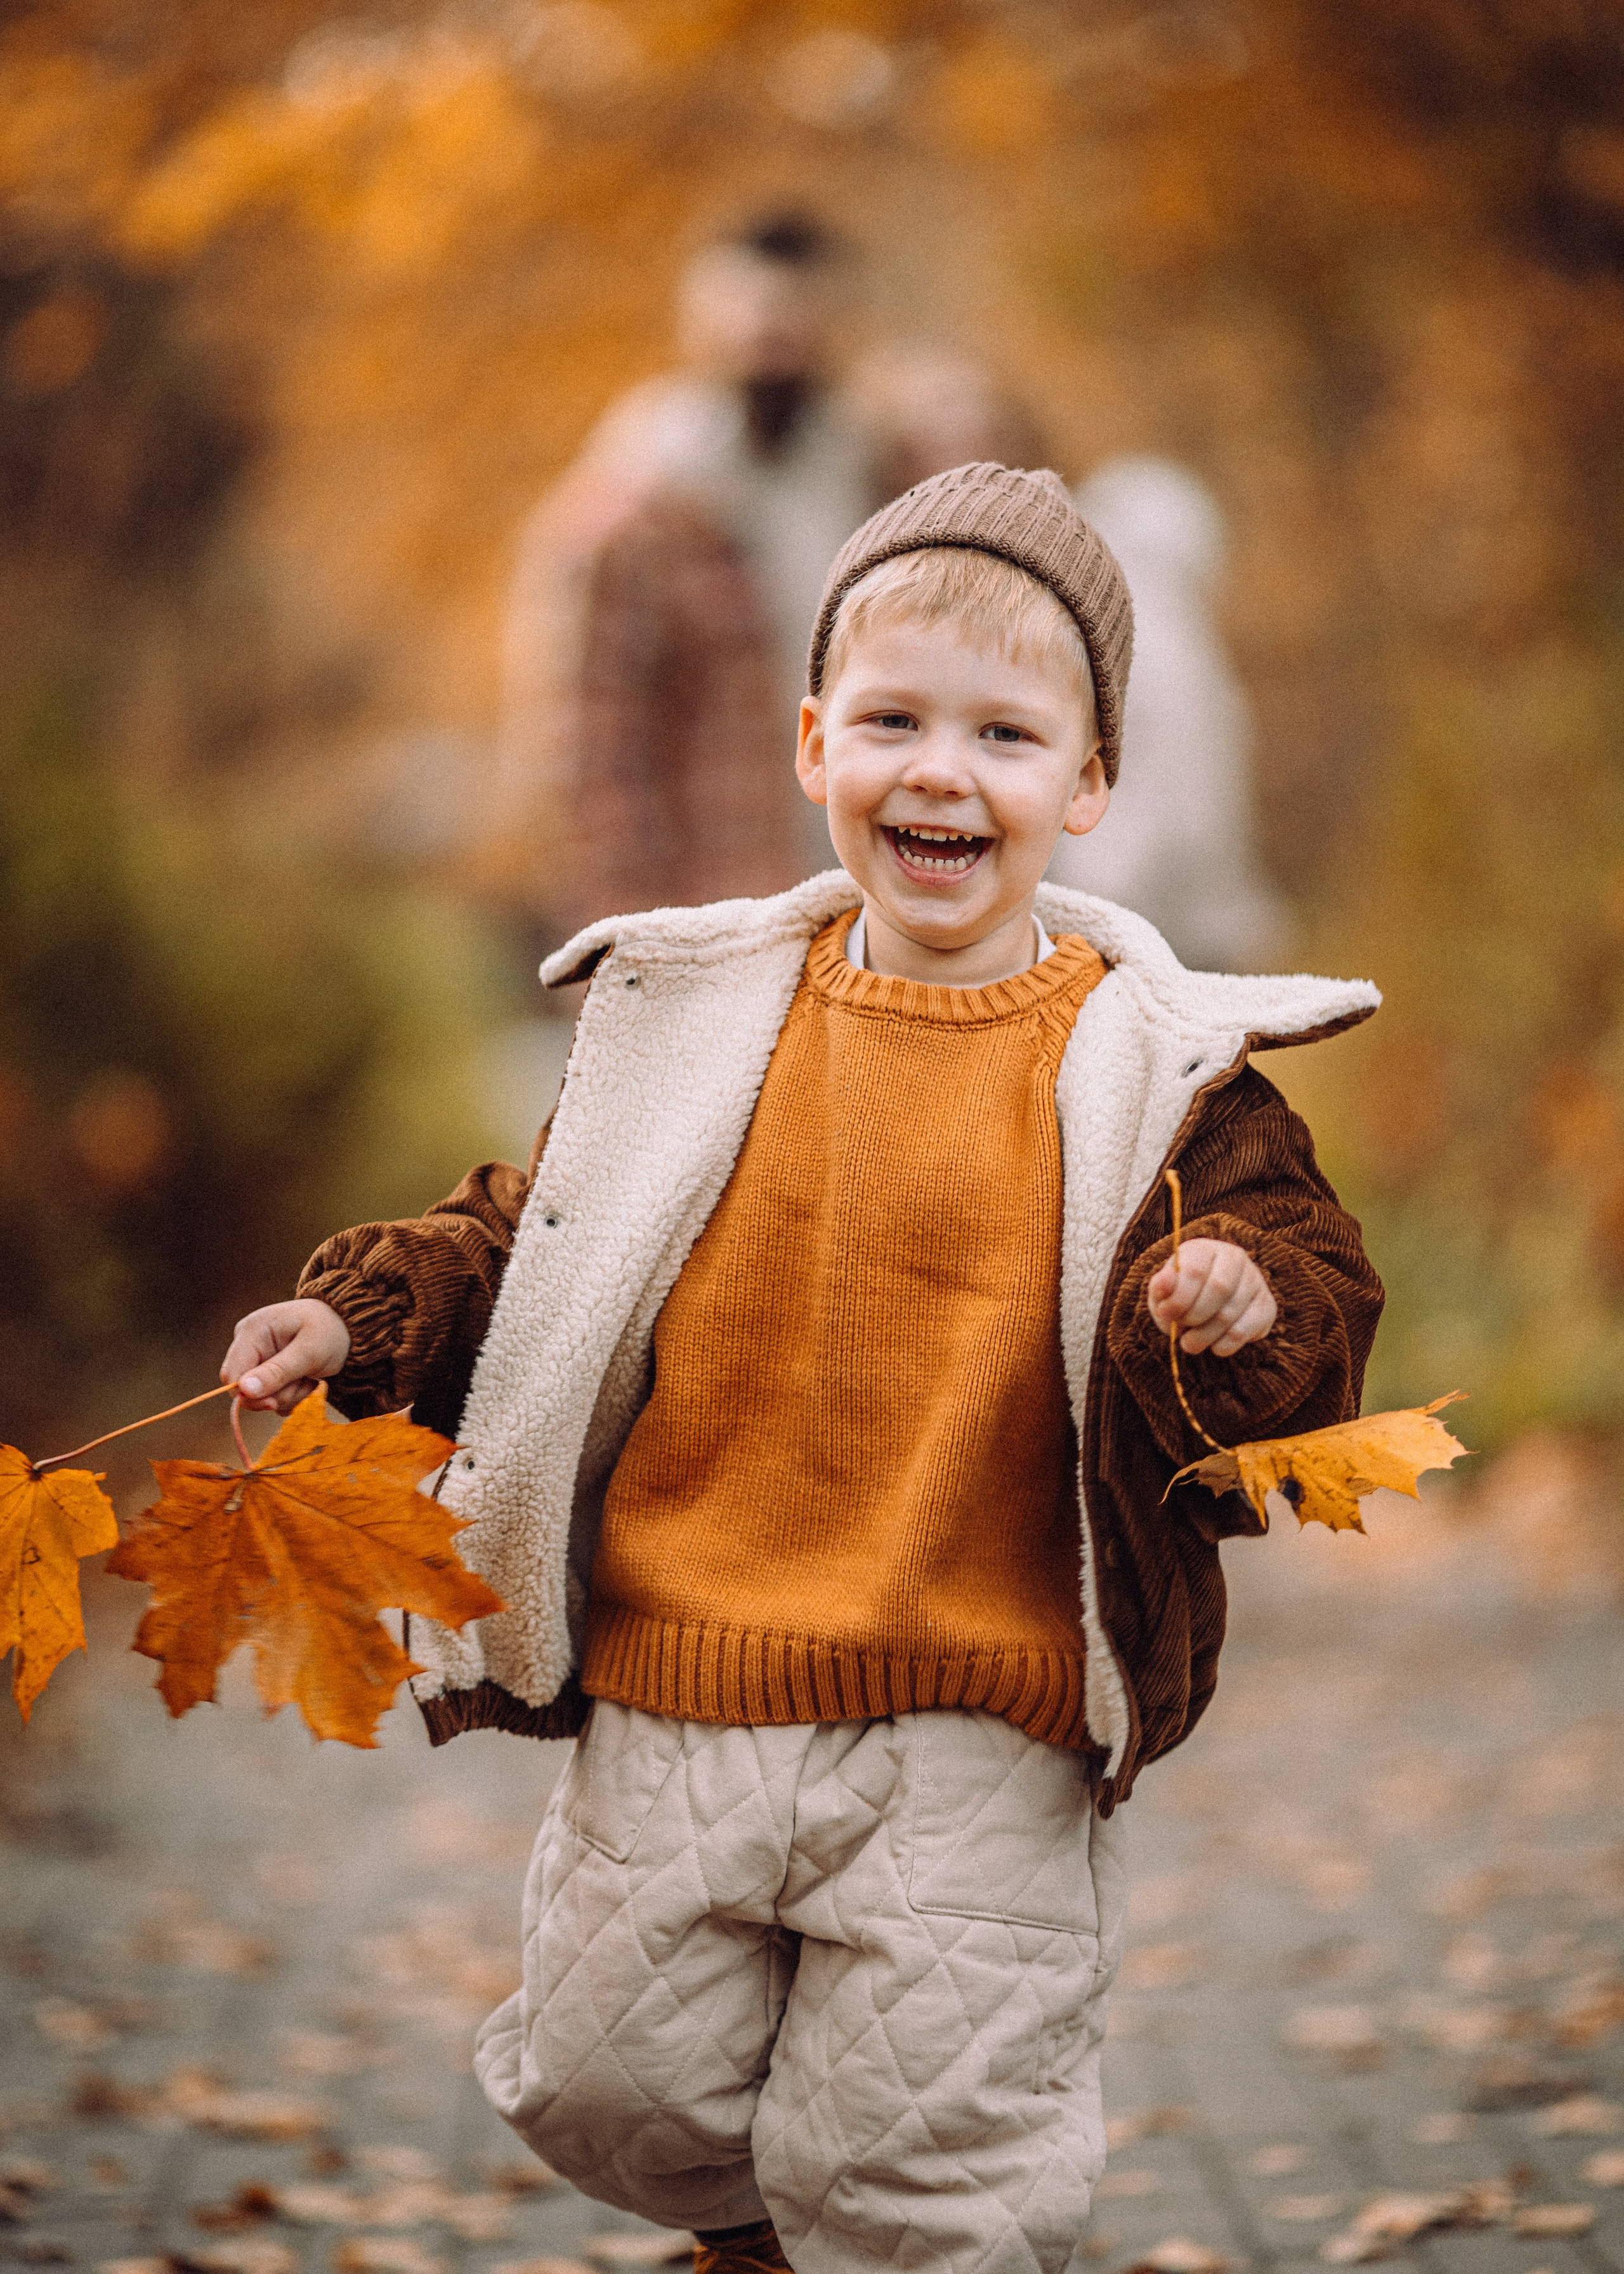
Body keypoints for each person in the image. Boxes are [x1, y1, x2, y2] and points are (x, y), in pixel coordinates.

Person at [221, 464, 1384, 2274]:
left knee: (921, 2174)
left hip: (981, 1714)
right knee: (602, 2085)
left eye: (1005, 734)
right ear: (811, 740)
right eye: (895, 720)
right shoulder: (706, 1019)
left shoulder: (1156, 1071)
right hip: (680, 1680)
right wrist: (361, 1324)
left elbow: (1308, 1284)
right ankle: (755, 2243)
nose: (943, 772)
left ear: (1087, 783)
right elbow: (545, 1239)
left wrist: (1241, 1303)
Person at [1047, 455, 1287, 970]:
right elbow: (1184, 799)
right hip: (1132, 907)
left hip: (1134, 901)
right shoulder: (1160, 651)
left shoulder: (1127, 639)